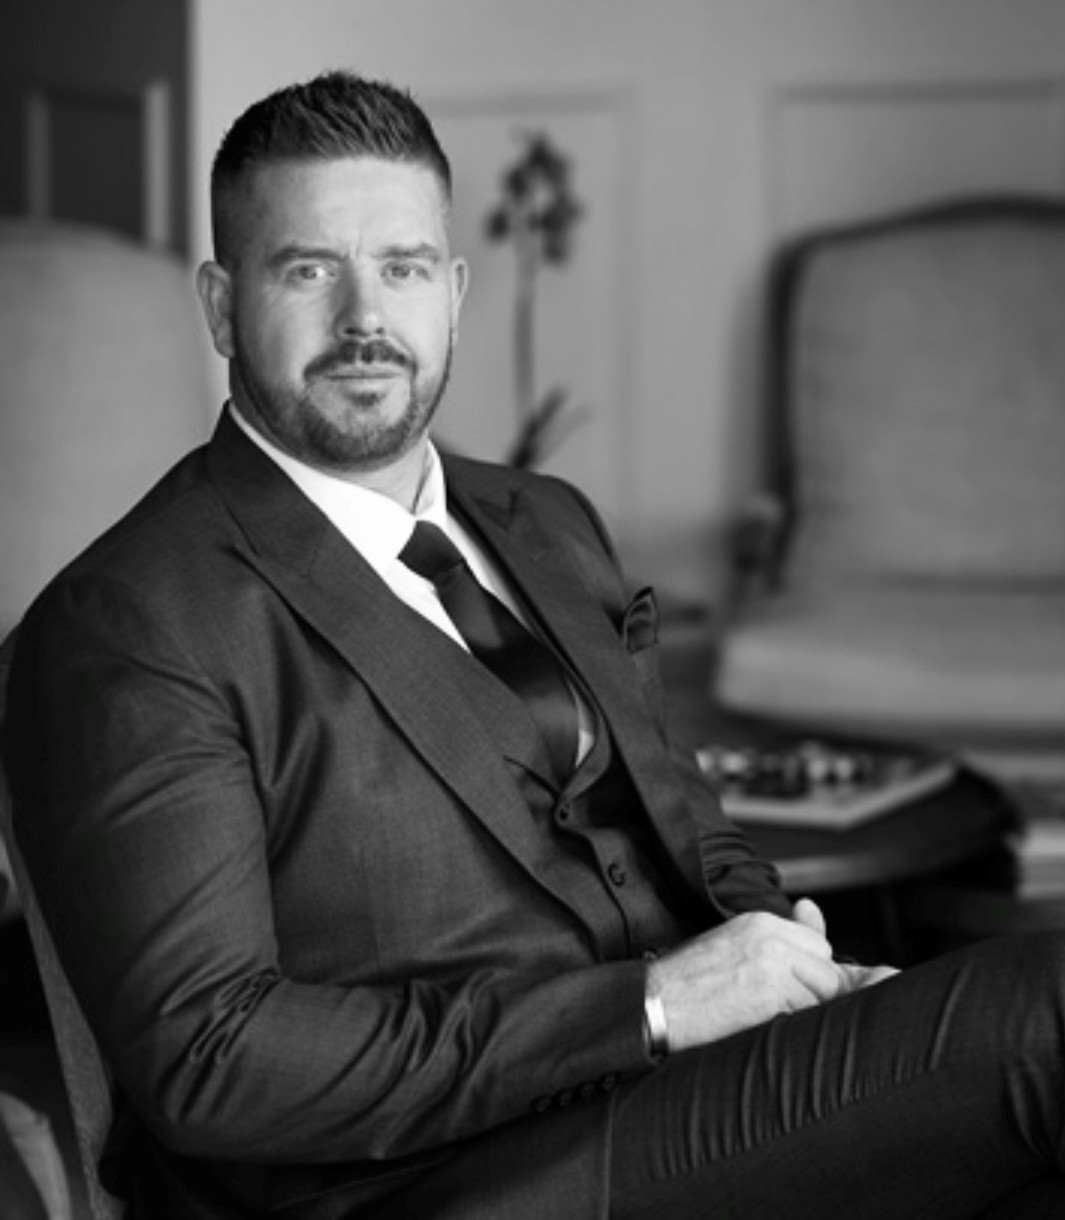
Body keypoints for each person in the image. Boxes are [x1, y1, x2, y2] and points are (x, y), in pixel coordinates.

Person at [5, 71, 1065, 1220]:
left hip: (686, 1111)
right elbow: (215, 1058)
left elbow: (689, 832)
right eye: (308, 270)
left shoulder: (547, 522)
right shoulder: (131, 624)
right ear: (221, 307)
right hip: (425, 1183)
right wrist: (648, 1005)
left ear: (455, 293)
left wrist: (804, 972)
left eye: (404, 267)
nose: (364, 319)